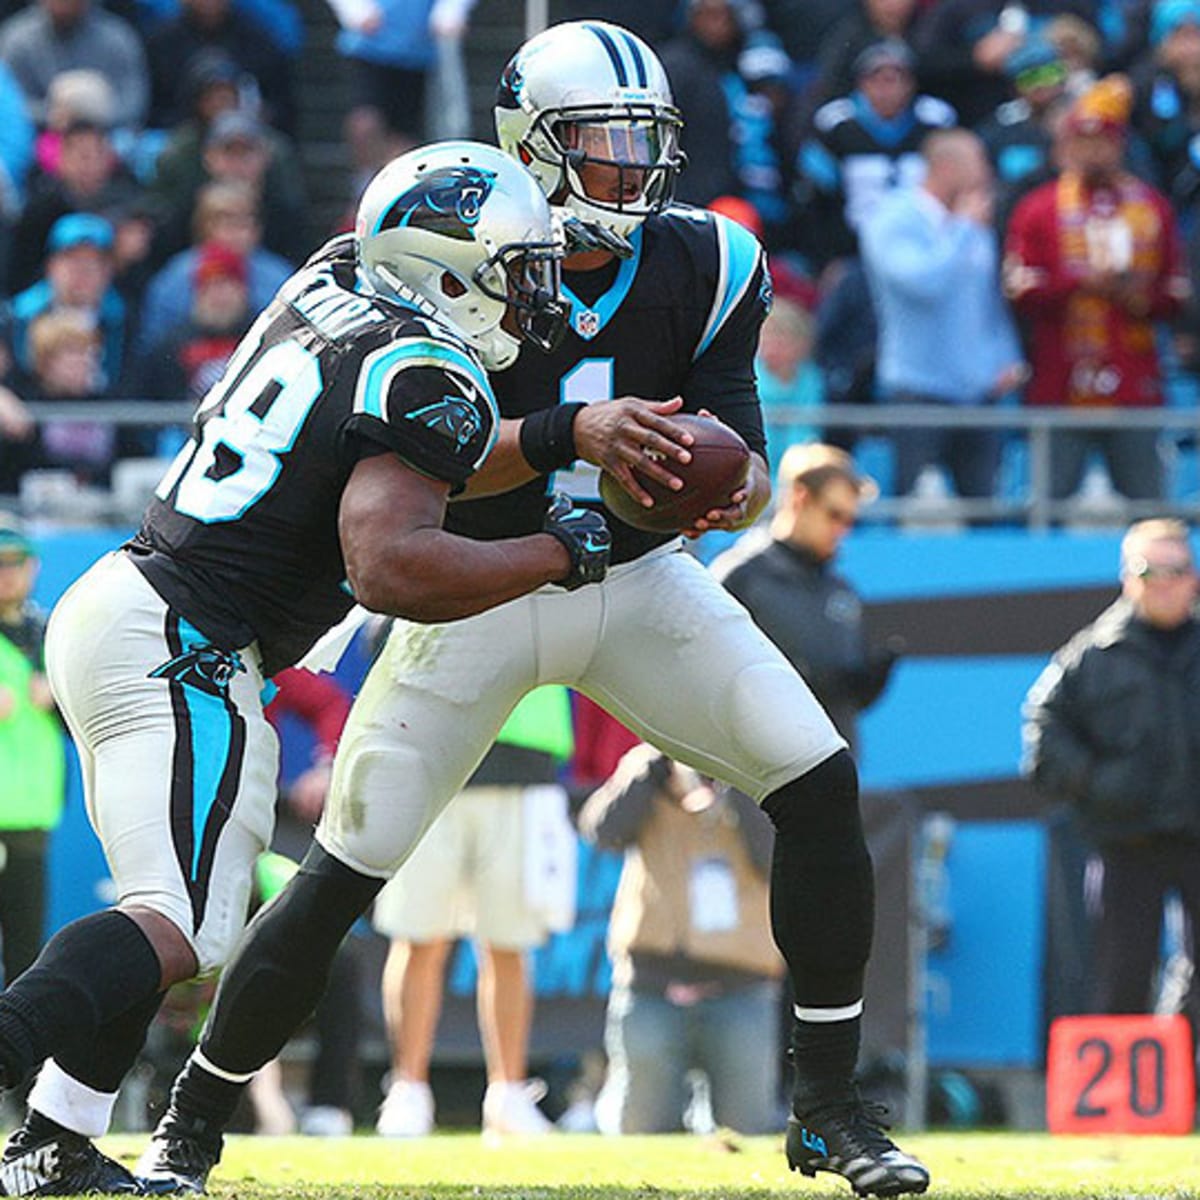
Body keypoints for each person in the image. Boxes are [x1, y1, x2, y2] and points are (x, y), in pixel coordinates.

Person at [138, 21, 930, 1199]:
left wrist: (719, 483)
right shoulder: (458, 241)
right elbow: (415, 456)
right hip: (484, 583)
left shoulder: (708, 261)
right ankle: (191, 1124)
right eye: (604, 143)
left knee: (817, 783)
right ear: (531, 145)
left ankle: (829, 1107)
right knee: (344, 870)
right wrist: (570, 437)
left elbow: (747, 458)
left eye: (646, 142)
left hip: (635, 575)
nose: (634, 171)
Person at [0, 137, 606, 1197]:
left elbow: (412, 461)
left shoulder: (333, 278)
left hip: (135, 600)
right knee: (179, 923)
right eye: (516, 272)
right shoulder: (426, 367)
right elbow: (391, 562)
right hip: (184, 640)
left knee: (188, 913)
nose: (533, 299)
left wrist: (561, 436)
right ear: (451, 267)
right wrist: (562, 551)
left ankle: (55, 1139)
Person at [374, 685, 576, 1138]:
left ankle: (507, 1094)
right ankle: (407, 1091)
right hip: (432, 762)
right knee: (417, 936)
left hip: (523, 768)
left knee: (508, 943)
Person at [1022, 517, 1200, 1017]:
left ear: (1194, 577)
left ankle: (1180, 1072)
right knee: (1121, 979)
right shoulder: (1091, 655)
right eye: (1150, 570)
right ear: (1127, 577)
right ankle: (1129, 1091)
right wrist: (1099, 784)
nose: (1164, 583)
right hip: (1126, 841)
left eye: (1177, 569)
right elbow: (1042, 732)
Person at [579, 743, 784, 1135]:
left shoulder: (762, 769)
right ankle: (607, 1103)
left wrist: (737, 784)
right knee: (640, 1129)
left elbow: (779, 855)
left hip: (740, 986)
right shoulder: (644, 765)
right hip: (652, 985)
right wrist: (648, 777)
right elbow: (600, 832)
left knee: (748, 1128)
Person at [1003, 74, 1190, 503]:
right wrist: (1080, 283)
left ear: (1119, 146)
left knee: (1149, 503)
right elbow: (1019, 290)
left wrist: (1135, 295)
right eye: (1081, 143)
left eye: (1101, 143)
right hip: (1060, 377)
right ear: (1065, 148)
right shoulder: (1039, 210)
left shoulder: (1152, 208)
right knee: (1048, 504)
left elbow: (1176, 293)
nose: (1091, 152)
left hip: (1133, 378)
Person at [860, 128, 1025, 503]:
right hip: (919, 389)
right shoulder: (891, 219)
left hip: (979, 389)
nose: (986, 174)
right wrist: (964, 229)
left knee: (984, 506)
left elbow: (987, 298)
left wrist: (1006, 355)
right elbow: (923, 283)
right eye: (978, 163)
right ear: (947, 167)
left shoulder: (973, 221)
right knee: (915, 502)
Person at [712, 443, 897, 756]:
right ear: (800, 498)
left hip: (830, 771)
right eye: (834, 515)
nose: (842, 530)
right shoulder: (741, 576)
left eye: (850, 521)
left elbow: (846, 699)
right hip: (753, 771)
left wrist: (867, 685)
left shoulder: (842, 591)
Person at [0, 517, 64, 989]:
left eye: (14, 564)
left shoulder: (51, 637)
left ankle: (14, 1062)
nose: (6, 575)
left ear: (32, 567)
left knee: (26, 955)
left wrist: (60, 698)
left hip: (31, 817)